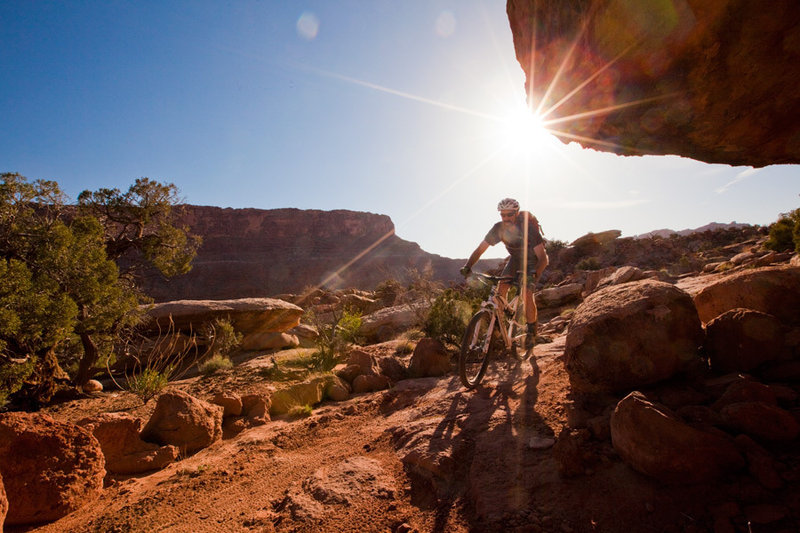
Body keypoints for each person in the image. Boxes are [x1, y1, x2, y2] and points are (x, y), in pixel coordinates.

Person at [460, 198, 549, 349]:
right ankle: (501, 325)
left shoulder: (527, 228)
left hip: (533, 260)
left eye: (509, 214)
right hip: (515, 259)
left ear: (516, 213)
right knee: (500, 291)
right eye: (503, 215)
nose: (506, 218)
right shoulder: (498, 228)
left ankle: (531, 331)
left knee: (527, 293)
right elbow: (481, 249)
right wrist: (468, 265)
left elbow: (543, 258)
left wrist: (533, 275)